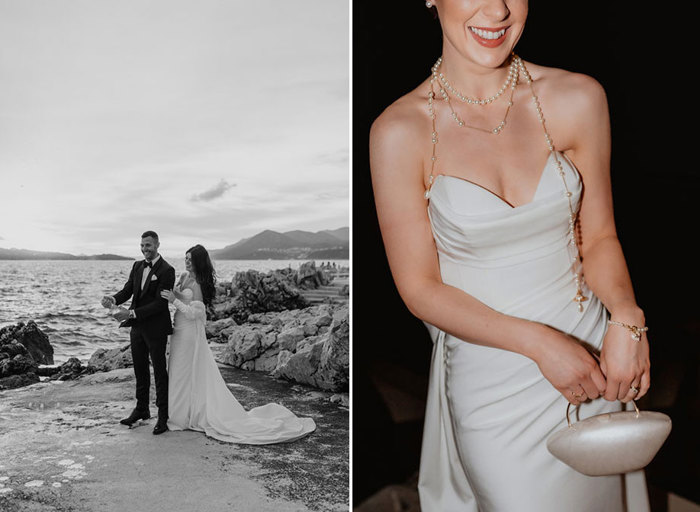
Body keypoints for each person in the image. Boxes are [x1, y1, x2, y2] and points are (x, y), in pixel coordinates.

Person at [369, 1, 651, 511]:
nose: (497, 9)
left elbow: (601, 238)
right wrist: (540, 345)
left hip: (594, 360)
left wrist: (628, 319)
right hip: (493, 382)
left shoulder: (577, 97)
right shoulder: (398, 131)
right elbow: (419, 289)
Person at [160, 245, 316, 444]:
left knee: (185, 372)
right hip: (178, 330)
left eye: (190, 259)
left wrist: (174, 300)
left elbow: (195, 313)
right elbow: (184, 300)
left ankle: (183, 417)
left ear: (198, 261)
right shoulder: (183, 277)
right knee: (176, 371)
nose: (186, 261)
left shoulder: (199, 283)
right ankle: (178, 412)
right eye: (185, 257)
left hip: (190, 333)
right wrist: (175, 295)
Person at [101, 230, 176, 435]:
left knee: (160, 372)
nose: (145, 249)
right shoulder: (136, 266)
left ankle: (163, 416)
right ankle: (142, 409)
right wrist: (114, 300)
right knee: (140, 370)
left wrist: (131, 313)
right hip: (137, 328)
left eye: (148, 245)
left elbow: (161, 305)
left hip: (156, 328)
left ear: (158, 244)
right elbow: (128, 290)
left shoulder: (167, 270)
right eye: (142, 245)